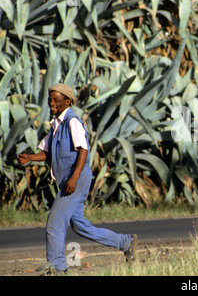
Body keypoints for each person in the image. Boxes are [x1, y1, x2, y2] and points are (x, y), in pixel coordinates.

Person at [17, 83, 138, 274]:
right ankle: (125, 242)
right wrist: (30, 158)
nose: (52, 103)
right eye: (50, 99)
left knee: (55, 221)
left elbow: (83, 150)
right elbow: (48, 152)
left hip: (76, 178)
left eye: (56, 100)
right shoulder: (56, 124)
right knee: (79, 225)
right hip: (68, 179)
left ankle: (57, 267)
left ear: (68, 101)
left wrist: (73, 178)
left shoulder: (72, 121)